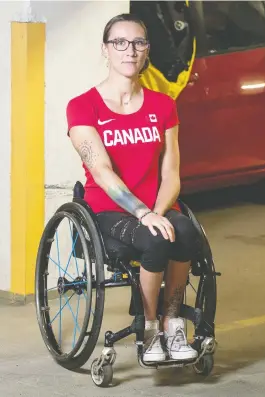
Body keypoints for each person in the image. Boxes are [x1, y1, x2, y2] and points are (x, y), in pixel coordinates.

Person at [66, 13, 199, 363]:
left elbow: (172, 173)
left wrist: (157, 210)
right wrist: (143, 213)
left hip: (156, 203)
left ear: (147, 50)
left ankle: (173, 322)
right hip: (107, 208)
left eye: (139, 43)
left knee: (184, 231)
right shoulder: (83, 107)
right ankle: (150, 327)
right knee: (154, 238)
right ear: (106, 50)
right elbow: (102, 170)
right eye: (119, 43)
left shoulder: (162, 106)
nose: (130, 50)